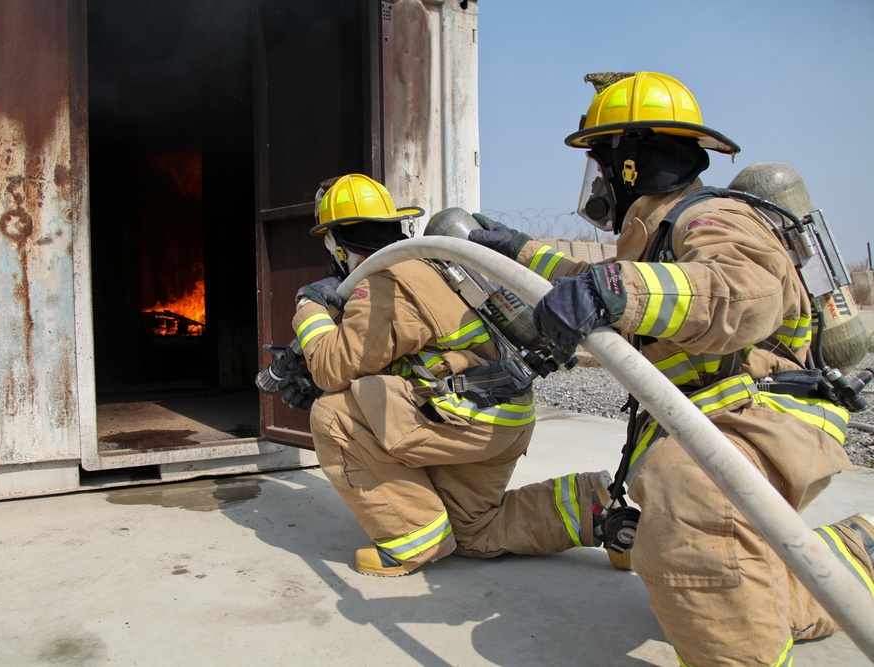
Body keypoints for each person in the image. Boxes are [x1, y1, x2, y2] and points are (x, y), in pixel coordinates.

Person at [469, 71, 874, 666]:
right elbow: (598, 287)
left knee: (694, 512)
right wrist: (519, 250)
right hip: (717, 416)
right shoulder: (656, 232)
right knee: (699, 565)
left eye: (604, 163)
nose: (600, 181)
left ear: (630, 160)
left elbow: (743, 292)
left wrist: (615, 286)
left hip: (764, 413)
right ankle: (852, 557)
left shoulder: (710, 218)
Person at [285, 173, 620, 577]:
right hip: (503, 415)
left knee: (333, 414)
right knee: (474, 531)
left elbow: (331, 369)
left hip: (469, 419)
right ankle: (597, 509)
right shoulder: (428, 264)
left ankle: (412, 539)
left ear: (335, 243)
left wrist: (309, 307)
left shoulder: (383, 286)